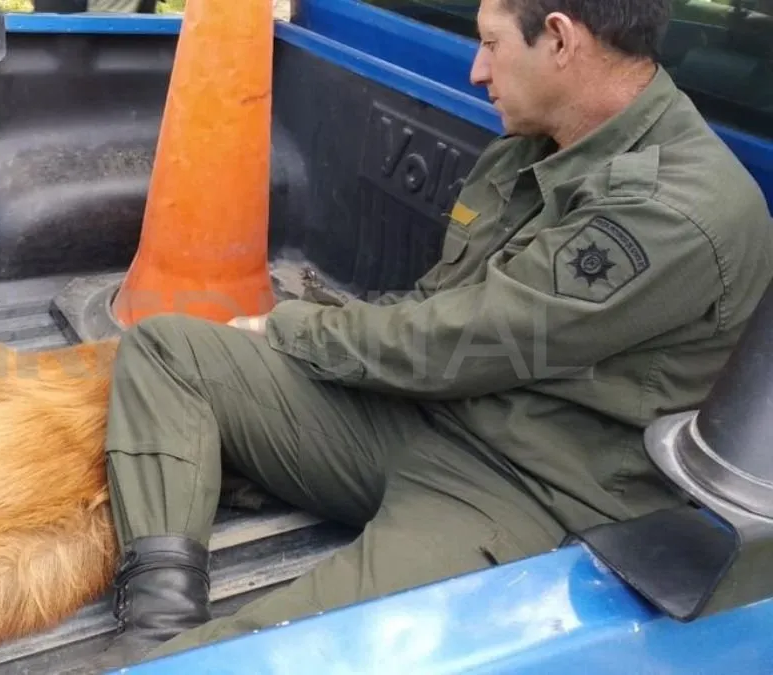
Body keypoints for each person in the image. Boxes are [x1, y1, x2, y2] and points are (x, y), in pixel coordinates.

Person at [87, 0, 773, 670]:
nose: (477, 70)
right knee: (166, 349)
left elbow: (465, 341)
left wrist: (293, 328)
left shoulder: (676, 210)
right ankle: (157, 622)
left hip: (522, 483)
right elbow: (437, 303)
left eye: (492, 43)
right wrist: (309, 343)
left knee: (263, 656)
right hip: (426, 410)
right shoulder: (537, 146)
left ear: (561, 40)